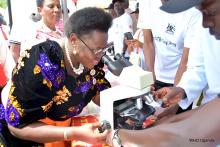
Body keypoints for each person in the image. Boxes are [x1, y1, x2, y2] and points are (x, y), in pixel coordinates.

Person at [106, 0, 220, 146]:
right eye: (200, 12)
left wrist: (123, 137)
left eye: (209, 13)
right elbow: (198, 67)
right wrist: (182, 90)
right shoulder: (207, 28)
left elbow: (202, 131)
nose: (204, 23)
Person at [0, 7, 112, 146]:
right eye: (96, 50)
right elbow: (17, 126)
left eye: (104, 49)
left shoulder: (91, 60)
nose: (99, 56)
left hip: (57, 127)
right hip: (24, 134)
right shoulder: (42, 64)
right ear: (74, 40)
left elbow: (97, 90)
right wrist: (74, 133)